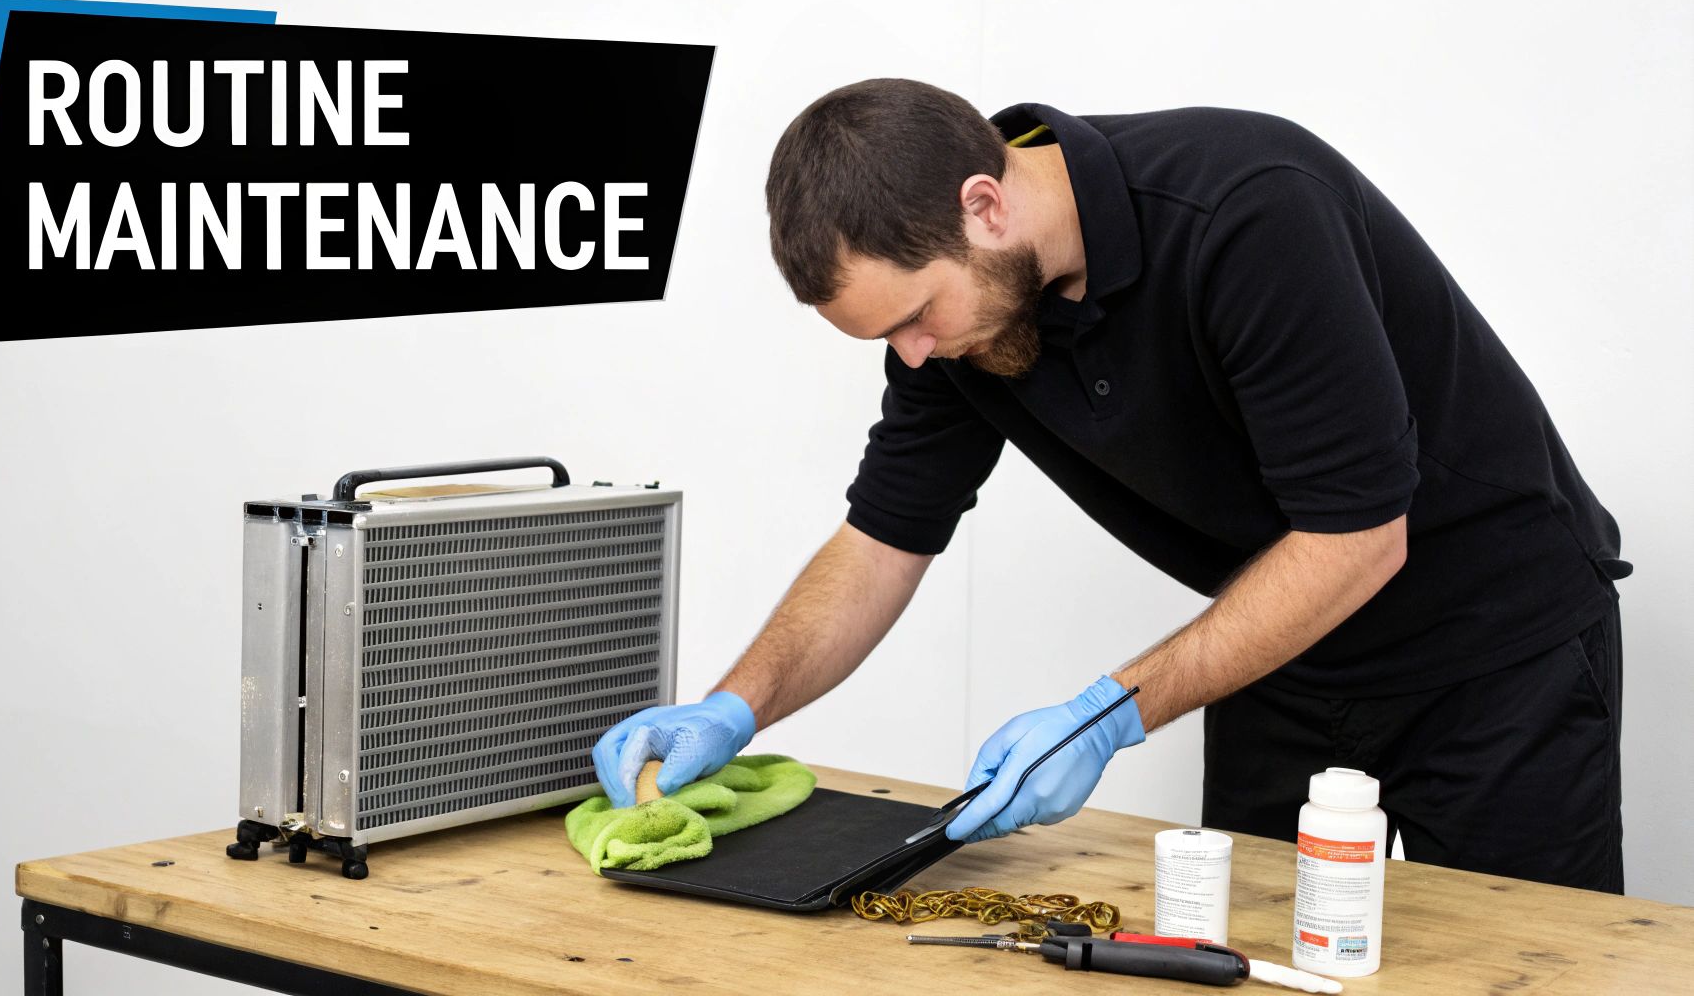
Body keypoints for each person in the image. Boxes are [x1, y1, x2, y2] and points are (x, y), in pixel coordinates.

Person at [592, 78, 1630, 892]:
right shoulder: (957, 335)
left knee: (1519, 964)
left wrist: (1108, 712)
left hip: (1496, 642)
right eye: (885, 337)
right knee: (1235, 959)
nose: (908, 357)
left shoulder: (1246, 209)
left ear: (983, 205)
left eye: (913, 316)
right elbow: (879, 542)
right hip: (1282, 641)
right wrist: (736, 705)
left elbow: (1359, 537)